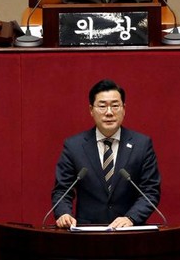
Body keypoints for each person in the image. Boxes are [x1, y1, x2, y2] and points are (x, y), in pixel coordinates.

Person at [52, 79, 161, 229]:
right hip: (87, 234)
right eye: (102, 106)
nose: (109, 112)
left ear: (124, 109)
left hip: (129, 233)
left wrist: (131, 218)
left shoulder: (141, 145)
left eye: (115, 106)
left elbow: (150, 191)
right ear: (91, 110)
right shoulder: (74, 146)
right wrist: (63, 213)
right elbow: (62, 190)